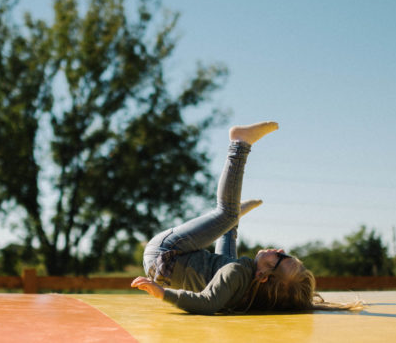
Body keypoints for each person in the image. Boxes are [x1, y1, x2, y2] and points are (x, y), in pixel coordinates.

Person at [131, 121, 362, 314]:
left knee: (226, 213)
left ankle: (239, 144)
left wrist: (163, 294)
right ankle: (231, 225)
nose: (280, 249)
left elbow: (208, 302)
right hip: (169, 268)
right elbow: (219, 286)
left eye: (282, 257)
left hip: (165, 254)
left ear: (263, 276)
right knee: (229, 257)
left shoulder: (237, 274)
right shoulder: (247, 294)